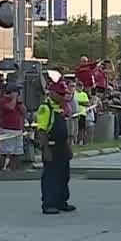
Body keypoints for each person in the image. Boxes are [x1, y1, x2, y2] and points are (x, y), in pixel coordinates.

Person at [36, 81, 76, 215]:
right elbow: (41, 131)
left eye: (64, 94)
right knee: (51, 177)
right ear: (52, 93)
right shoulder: (45, 108)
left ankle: (61, 201)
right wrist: (45, 150)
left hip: (61, 146)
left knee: (64, 176)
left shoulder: (59, 107)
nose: (63, 96)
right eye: (60, 93)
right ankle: (49, 204)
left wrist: (68, 148)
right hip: (51, 146)